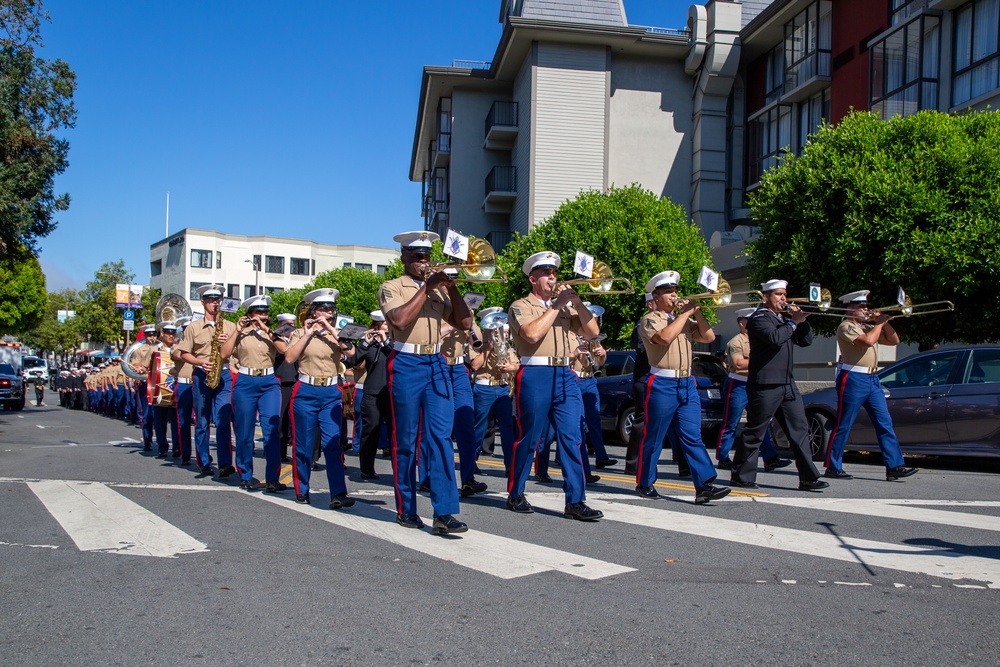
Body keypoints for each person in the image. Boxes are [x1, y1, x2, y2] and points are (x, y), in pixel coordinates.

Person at [378, 230, 471, 535]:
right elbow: (400, 321)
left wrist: (452, 289)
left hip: (436, 361)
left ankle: (444, 512)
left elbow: (466, 323)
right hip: (406, 362)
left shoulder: (440, 290)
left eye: (426, 257)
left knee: (441, 438)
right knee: (405, 440)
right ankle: (406, 509)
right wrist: (427, 287)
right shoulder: (392, 287)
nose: (423, 262)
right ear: (403, 257)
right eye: (417, 257)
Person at [506, 251, 603, 521]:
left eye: (554, 272)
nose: (552, 277)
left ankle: (575, 499)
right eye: (546, 273)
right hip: (535, 372)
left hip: (564, 373)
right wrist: (558, 305)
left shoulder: (564, 306)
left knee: (572, 437)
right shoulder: (521, 305)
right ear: (532, 278)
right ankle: (515, 492)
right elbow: (532, 334)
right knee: (530, 438)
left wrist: (578, 302)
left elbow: (592, 332)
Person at [636, 271, 730, 504]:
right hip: (662, 383)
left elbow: (708, 337)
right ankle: (644, 482)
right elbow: (665, 338)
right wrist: (686, 313)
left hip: (687, 382)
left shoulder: (685, 320)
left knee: (692, 436)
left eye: (675, 291)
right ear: (656, 296)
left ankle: (704, 485)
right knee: (654, 437)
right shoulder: (650, 320)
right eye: (668, 292)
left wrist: (696, 312)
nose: (674, 295)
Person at [731, 279, 828, 491]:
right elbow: (774, 338)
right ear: (766, 296)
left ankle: (808, 477)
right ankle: (741, 476)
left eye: (784, 294)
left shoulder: (784, 319)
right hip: (765, 385)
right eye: (778, 294)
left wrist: (801, 322)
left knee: (799, 431)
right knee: (755, 431)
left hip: (787, 384)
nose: (783, 298)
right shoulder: (758, 319)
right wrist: (793, 323)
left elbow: (805, 341)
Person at [824, 290, 917, 482]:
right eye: (860, 307)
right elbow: (867, 342)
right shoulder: (846, 326)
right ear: (850, 308)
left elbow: (894, 340)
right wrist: (879, 323)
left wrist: (886, 322)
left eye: (865, 306)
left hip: (872, 379)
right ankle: (833, 466)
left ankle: (894, 466)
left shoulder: (867, 327)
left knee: (884, 422)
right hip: (853, 378)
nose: (865, 309)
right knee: (844, 423)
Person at [284, 288, 357, 508]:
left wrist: (330, 329)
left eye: (331, 310)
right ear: (314, 311)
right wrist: (308, 333)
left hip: (331, 392)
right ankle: (302, 489)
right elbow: (289, 358)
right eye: (324, 309)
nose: (329, 313)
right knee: (304, 445)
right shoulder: (299, 332)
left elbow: (351, 353)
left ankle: (338, 493)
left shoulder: (337, 333)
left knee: (333, 444)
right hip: (306, 390)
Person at [220, 294, 287, 492]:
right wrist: (238, 330)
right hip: (245, 380)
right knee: (244, 431)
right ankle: (246, 475)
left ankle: (273, 478)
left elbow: (284, 350)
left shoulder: (273, 332)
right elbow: (224, 354)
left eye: (265, 312)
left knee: (271, 431)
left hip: (268, 382)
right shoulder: (239, 331)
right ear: (249, 314)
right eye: (258, 312)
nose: (262, 315)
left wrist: (266, 328)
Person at [715, 308, 790, 472]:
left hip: (755, 383)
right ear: (742, 323)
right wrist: (764, 359)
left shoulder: (759, 339)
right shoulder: (736, 342)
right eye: (751, 321)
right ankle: (723, 457)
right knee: (731, 422)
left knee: (759, 422)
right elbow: (739, 364)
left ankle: (770, 457)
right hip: (738, 385)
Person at [173, 284, 237, 478]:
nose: (214, 303)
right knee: (201, 420)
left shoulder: (230, 326)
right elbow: (183, 353)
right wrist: (200, 363)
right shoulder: (193, 327)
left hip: (223, 373)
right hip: (202, 374)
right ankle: (203, 461)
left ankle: (225, 463)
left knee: (223, 419)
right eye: (210, 300)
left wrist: (228, 344)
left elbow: (237, 352)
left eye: (217, 300)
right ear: (203, 302)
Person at [437, 322, 487, 498]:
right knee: (439, 427)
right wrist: (452, 324)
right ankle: (432, 478)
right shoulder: (434, 307)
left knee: (466, 426)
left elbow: (477, 344)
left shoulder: (461, 309)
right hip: (437, 363)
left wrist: (471, 323)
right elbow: (429, 335)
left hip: (458, 369)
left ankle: (468, 479)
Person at [342, 310, 393, 480]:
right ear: (376, 326)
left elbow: (394, 356)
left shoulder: (394, 342)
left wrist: (385, 340)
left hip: (392, 393)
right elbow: (353, 361)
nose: (386, 327)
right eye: (384, 324)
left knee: (395, 432)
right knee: (371, 431)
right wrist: (365, 342)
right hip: (371, 392)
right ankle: (367, 468)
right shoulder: (369, 345)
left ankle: (399, 470)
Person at [469, 309, 518, 476]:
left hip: (502, 388)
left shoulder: (504, 345)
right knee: (479, 427)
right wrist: (487, 348)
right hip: (484, 388)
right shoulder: (477, 344)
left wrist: (511, 367)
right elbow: (475, 366)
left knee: (507, 428)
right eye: (492, 328)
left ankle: (510, 464)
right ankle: (471, 461)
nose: (496, 331)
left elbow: (516, 364)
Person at [150, 321, 181, 460]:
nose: (171, 335)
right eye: (168, 333)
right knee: (160, 421)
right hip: (160, 389)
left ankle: (177, 447)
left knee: (176, 420)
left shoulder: (179, 347)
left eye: (173, 333)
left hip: (175, 387)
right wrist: (139, 367)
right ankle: (162, 447)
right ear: (162, 334)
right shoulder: (154, 349)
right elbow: (146, 366)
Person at [272, 312, 298, 464]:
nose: (290, 328)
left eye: (292, 325)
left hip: (296, 380)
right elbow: (282, 351)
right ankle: (280, 452)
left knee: (293, 420)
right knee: (281, 420)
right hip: (281, 381)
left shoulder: (296, 338)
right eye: (286, 325)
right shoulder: (275, 338)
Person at [170, 317, 195, 467]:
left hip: (200, 385)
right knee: (184, 421)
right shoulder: (177, 346)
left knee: (201, 422)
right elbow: (176, 355)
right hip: (184, 385)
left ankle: (201, 456)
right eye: (186, 330)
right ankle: (185, 453)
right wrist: (186, 344)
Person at [131, 325, 159, 451]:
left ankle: (161, 441)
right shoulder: (139, 349)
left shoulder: (161, 347)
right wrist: (140, 367)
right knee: (147, 413)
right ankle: (147, 439)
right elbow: (135, 364)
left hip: (160, 382)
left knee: (159, 414)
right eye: (149, 335)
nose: (151, 337)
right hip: (145, 383)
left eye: (154, 334)